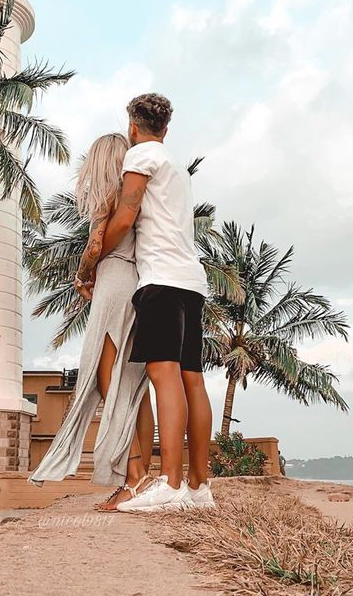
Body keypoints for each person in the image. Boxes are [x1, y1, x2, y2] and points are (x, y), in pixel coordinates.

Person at [91, 93, 214, 513]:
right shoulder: (177, 168)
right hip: (192, 282)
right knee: (192, 379)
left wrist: (96, 258)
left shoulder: (140, 155)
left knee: (164, 377)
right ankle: (199, 486)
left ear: (133, 126)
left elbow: (126, 216)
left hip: (160, 280)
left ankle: (171, 484)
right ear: (166, 128)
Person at [29, 134, 155, 511]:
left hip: (114, 282)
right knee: (134, 384)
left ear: (99, 162)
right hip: (139, 282)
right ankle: (143, 476)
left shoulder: (107, 196)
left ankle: (133, 476)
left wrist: (83, 273)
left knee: (106, 377)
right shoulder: (139, 196)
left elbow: (96, 245)